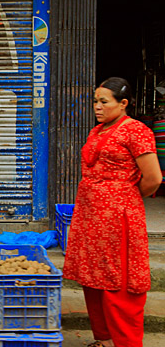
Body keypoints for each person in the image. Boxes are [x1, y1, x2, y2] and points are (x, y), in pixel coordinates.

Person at [63, 77, 162, 347]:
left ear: (123, 104)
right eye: (95, 101)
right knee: (94, 277)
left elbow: (153, 178)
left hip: (118, 218)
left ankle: (126, 342)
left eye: (103, 102)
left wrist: (121, 197)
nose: (97, 106)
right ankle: (104, 339)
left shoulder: (136, 130)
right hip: (91, 216)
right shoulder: (98, 131)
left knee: (119, 281)